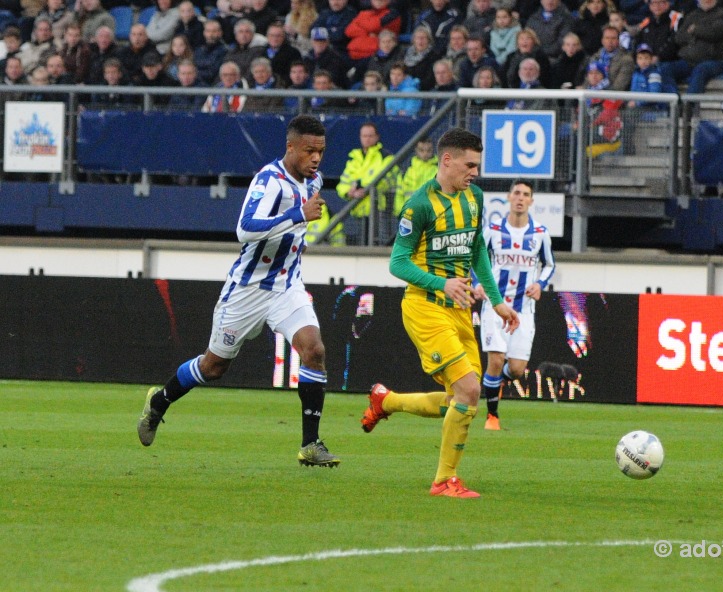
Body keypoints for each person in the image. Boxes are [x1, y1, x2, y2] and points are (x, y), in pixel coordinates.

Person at [138, 114, 341, 469]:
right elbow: (245, 229)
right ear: (290, 147)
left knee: (314, 350)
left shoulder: (314, 181)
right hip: (246, 291)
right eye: (309, 151)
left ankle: (310, 444)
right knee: (213, 367)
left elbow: (294, 227)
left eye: (320, 152)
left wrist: (296, 241)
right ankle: (160, 402)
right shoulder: (270, 181)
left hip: (286, 286)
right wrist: (298, 216)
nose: (316, 159)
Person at [361, 128, 519, 499]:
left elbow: (477, 247)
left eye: (477, 166)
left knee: (461, 400)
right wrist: (439, 283)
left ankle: (386, 401)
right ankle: (443, 481)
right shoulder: (418, 205)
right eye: (469, 165)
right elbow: (397, 263)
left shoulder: (474, 197)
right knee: (468, 389)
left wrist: (496, 300)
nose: (475, 172)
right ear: (446, 160)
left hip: (461, 310)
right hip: (425, 307)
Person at [473, 178, 554, 430]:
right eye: (516, 192)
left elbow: (549, 264)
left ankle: (490, 385)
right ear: (509, 197)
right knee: (496, 361)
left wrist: (540, 283)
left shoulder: (540, 234)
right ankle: (492, 416)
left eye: (525, 194)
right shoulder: (493, 230)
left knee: (517, 370)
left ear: (531, 201)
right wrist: (477, 283)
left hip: (524, 310)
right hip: (495, 307)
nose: (520, 197)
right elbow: (476, 259)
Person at [658, 0, 723, 94]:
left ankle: (689, 104)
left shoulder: (722, 15)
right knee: (665, 68)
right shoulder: (692, 15)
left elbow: (713, 34)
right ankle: (675, 101)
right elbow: (679, 37)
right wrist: (698, 35)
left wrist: (695, 30)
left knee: (700, 69)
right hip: (689, 61)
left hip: (714, 61)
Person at [581, 24, 634, 91]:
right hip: (592, 95)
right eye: (607, 38)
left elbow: (618, 87)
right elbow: (587, 81)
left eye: (613, 38)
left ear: (618, 41)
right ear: (602, 40)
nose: (610, 41)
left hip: (613, 98)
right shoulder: (595, 57)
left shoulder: (626, 60)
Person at [396, 137, 437, 215]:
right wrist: (400, 211)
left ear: (433, 150)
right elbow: (399, 193)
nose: (425, 154)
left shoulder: (439, 169)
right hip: (409, 214)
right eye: (421, 150)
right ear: (416, 150)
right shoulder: (406, 170)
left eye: (428, 150)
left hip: (431, 215)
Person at [194, 18, 228, 86]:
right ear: (204, 33)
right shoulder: (198, 50)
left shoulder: (224, 51)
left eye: (214, 31)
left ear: (220, 33)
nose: (211, 34)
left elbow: (212, 73)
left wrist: (194, 73)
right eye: (208, 31)